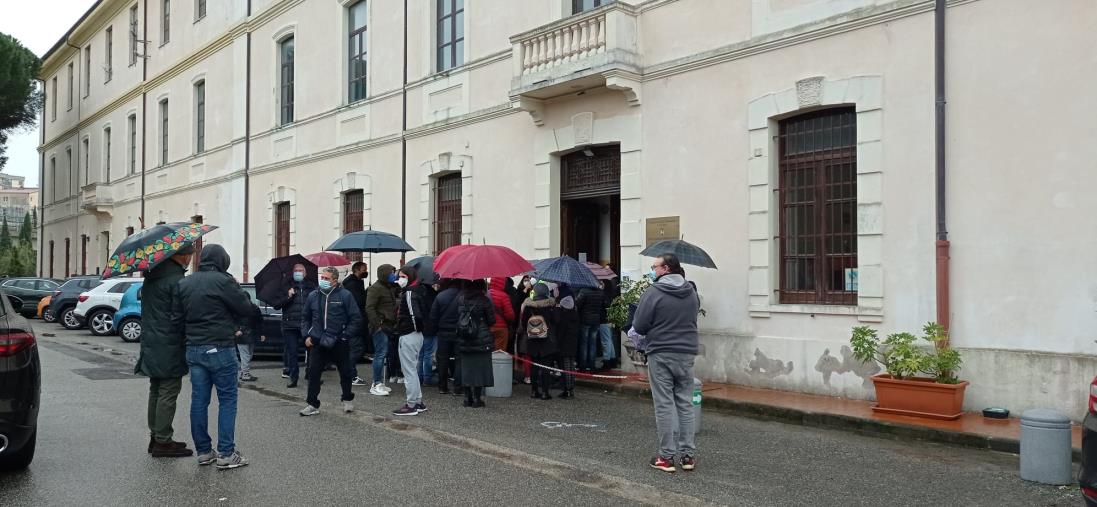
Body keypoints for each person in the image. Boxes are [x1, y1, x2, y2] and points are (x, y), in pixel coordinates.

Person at [175, 244, 261, 470]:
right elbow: (246, 308)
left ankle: (203, 451)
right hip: (220, 347)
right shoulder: (224, 281)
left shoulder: (184, 283)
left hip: (194, 348)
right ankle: (226, 453)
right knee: (228, 400)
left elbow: (176, 317)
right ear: (223, 260)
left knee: (199, 401)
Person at [631, 253, 701, 473]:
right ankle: (688, 456)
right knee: (685, 403)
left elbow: (640, 325)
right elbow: (692, 318)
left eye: (655, 267)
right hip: (686, 352)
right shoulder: (691, 292)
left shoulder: (653, 293)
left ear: (667, 269)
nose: (653, 270)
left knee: (664, 404)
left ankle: (666, 457)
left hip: (661, 352)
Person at [135, 243, 195, 458]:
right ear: (179, 257)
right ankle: (163, 441)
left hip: (151, 340)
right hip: (169, 342)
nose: (190, 259)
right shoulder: (176, 280)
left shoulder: (152, 277)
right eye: (188, 255)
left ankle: (156, 436)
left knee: (156, 388)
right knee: (169, 390)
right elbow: (182, 313)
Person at [298, 266, 363, 417]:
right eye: (322, 277)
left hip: (339, 340)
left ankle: (347, 399)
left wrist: (346, 335)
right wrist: (306, 336)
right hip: (317, 341)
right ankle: (312, 403)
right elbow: (305, 318)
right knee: (313, 373)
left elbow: (356, 318)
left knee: (345, 372)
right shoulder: (313, 296)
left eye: (326, 278)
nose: (323, 281)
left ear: (335, 280)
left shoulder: (345, 295)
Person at [391, 266, 431, 416]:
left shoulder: (409, 292)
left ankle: (412, 404)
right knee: (412, 369)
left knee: (409, 371)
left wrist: (413, 328)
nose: (399, 279)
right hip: (416, 334)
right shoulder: (419, 290)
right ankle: (418, 402)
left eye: (402, 276)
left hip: (409, 333)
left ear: (409, 277)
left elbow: (415, 315)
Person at [268, 263, 314, 388]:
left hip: (306, 324)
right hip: (290, 324)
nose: (298, 272)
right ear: (293, 272)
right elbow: (276, 305)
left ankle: (310, 374)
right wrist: (288, 296)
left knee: (312, 351)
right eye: (296, 270)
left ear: (305, 273)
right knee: (292, 352)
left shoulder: (311, 287)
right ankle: (293, 377)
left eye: (301, 270)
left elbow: (316, 305)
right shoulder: (286, 286)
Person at [456, 279, 495, 408]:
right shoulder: (485, 300)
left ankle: (467, 398)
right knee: (480, 369)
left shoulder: (461, 299)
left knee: (466, 368)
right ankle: (477, 399)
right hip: (481, 338)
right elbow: (492, 320)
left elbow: (459, 316)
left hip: (465, 337)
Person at [518, 283, 557, 400]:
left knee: (534, 366)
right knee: (546, 366)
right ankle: (545, 392)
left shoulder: (528, 305)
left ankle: (534, 391)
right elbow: (556, 321)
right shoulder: (550, 305)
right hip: (547, 340)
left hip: (532, 339)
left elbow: (524, 323)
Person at [364, 264, 398, 396]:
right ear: (385, 274)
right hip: (380, 327)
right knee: (380, 354)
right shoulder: (375, 288)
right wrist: (377, 325)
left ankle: (380, 382)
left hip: (387, 325)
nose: (393, 275)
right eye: (391, 273)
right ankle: (376, 383)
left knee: (383, 353)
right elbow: (369, 308)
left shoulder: (388, 287)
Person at [427, 278, 462, 394]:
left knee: (442, 359)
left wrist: (433, 330)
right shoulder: (464, 295)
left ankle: (442, 386)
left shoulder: (441, 296)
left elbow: (433, 316)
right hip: (460, 332)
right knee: (459, 359)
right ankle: (458, 387)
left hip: (443, 332)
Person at [342, 261, 370, 386]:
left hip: (354, 321)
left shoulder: (356, 282)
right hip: (354, 321)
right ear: (357, 270)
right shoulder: (352, 285)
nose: (366, 272)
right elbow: (359, 302)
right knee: (357, 348)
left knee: (355, 348)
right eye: (364, 269)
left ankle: (349, 373)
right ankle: (350, 375)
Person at [554, 284, 580, 399]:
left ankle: (567, 390)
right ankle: (571, 389)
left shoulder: (563, 315)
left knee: (565, 366)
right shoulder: (575, 314)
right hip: (573, 342)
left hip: (564, 343)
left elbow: (560, 331)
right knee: (571, 366)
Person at [235, 294, 265, 382]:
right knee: (247, 355)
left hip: (243, 334)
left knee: (246, 355)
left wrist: (236, 330)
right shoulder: (254, 308)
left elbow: (232, 320)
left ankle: (244, 372)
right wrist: (262, 333)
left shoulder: (237, 309)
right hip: (249, 334)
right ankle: (245, 373)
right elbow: (260, 322)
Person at [576, 282, 604, 372]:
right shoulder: (600, 292)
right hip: (596, 320)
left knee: (584, 344)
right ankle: (592, 365)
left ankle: (583, 366)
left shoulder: (584, 291)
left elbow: (578, 304)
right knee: (593, 343)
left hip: (585, 320)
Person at [417, 280, 439, 386]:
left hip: (419, 328)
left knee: (420, 354)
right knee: (428, 354)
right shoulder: (433, 294)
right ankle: (427, 378)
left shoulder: (416, 294)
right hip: (431, 328)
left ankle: (419, 377)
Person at [488, 277, 516, 352]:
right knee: (499, 352)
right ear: (503, 283)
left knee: (489, 350)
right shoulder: (504, 296)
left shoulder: (486, 294)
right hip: (501, 329)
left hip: (488, 327)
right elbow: (510, 316)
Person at [598, 277, 620, 370]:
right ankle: (612, 359)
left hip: (604, 320)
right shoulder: (611, 295)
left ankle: (607, 361)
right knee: (609, 340)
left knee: (605, 341)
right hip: (609, 319)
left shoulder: (603, 295)